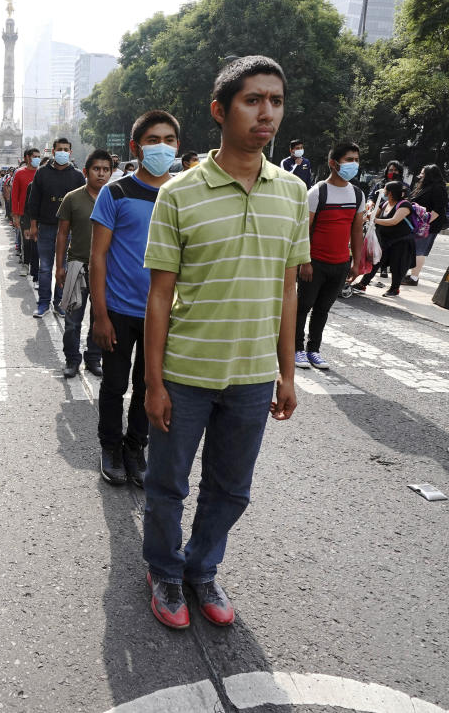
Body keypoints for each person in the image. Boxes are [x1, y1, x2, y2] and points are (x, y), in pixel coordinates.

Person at [144, 56, 308, 630]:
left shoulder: (292, 193)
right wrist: (154, 382)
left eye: (276, 101)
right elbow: (159, 296)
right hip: (186, 373)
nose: (267, 113)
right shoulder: (179, 195)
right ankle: (164, 570)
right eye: (253, 100)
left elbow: (287, 291)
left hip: (253, 375)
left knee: (231, 489)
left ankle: (201, 567)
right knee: (167, 483)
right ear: (221, 110)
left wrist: (287, 373)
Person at [90, 111, 179, 489]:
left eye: (170, 140)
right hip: (120, 310)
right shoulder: (116, 192)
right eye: (153, 140)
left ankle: (135, 447)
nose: (162, 147)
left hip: (165, 314)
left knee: (150, 384)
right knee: (114, 383)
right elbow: (98, 256)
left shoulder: (184, 194)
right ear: (135, 147)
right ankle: (110, 448)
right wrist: (100, 315)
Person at [294, 142, 364, 371]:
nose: (354, 164)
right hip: (314, 263)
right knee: (303, 307)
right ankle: (297, 349)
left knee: (323, 309)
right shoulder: (317, 192)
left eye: (356, 159)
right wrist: (304, 261)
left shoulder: (357, 194)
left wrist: (356, 262)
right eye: (349, 160)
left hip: (340, 263)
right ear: (333, 163)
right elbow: (304, 229)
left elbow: (356, 229)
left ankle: (314, 350)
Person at [55, 149, 110, 378]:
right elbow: (62, 233)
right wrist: (60, 267)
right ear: (86, 172)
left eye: (106, 170)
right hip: (77, 266)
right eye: (96, 169)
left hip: (106, 269)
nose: (101, 174)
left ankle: (94, 358)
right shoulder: (72, 198)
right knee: (72, 320)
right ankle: (72, 359)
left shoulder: (115, 197)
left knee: (100, 317)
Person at [27, 137, 86, 318]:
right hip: (45, 227)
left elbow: (82, 203)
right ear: (53, 152)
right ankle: (43, 303)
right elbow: (34, 201)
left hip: (68, 231)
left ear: (70, 152)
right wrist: (33, 225)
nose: (62, 152)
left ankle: (60, 303)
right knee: (45, 268)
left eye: (65, 149)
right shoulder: (42, 173)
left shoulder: (77, 176)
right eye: (59, 149)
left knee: (64, 268)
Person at [353, 181, 415, 297]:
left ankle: (394, 289)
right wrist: (361, 220)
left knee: (397, 266)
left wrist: (374, 221)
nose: (383, 191)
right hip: (385, 240)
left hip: (401, 242)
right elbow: (371, 215)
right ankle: (362, 284)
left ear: (390, 193)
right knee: (375, 262)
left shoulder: (405, 205)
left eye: (385, 189)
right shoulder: (385, 203)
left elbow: (394, 221)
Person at [403, 164, 447, 286]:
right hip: (419, 223)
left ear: (430, 175)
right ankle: (410, 274)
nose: (420, 176)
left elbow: (438, 209)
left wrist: (425, 224)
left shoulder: (438, 188)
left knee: (420, 250)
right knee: (414, 249)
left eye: (423, 173)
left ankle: (414, 277)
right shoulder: (425, 186)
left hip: (428, 225)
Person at [11, 148, 40, 281]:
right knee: (27, 241)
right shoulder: (19, 173)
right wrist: (15, 215)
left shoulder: (42, 173)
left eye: (39, 156)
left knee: (38, 243)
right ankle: (25, 263)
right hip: (24, 214)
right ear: (27, 158)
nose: (37, 159)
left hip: (40, 215)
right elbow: (15, 195)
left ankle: (36, 267)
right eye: (35, 156)